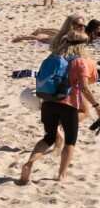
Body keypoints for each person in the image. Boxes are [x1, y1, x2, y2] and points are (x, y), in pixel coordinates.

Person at [19, 27, 99, 185]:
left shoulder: (55, 57)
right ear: (82, 45)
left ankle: (30, 162)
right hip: (68, 105)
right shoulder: (80, 62)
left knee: (48, 138)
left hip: (48, 102)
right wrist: (96, 105)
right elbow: (84, 87)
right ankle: (61, 175)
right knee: (70, 141)